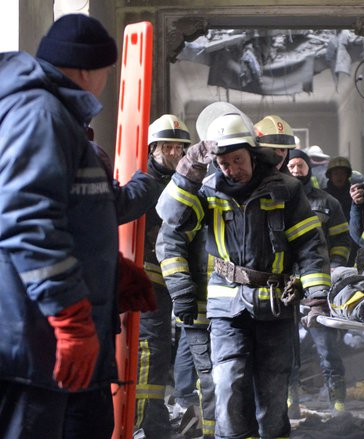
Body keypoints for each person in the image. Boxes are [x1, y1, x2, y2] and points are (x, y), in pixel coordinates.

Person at [0, 14, 156, 439]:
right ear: (87, 69)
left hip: (41, 333)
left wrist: (104, 271)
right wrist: (69, 318)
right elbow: (28, 222)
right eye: (107, 70)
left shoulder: (53, 116)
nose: (106, 80)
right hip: (31, 339)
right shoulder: (41, 114)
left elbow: (68, 213)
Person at [156, 107, 331, 439]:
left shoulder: (287, 189)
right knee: (228, 384)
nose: (231, 169)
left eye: (237, 160)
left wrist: (317, 294)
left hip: (276, 305)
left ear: (252, 153)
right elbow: (170, 223)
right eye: (223, 163)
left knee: (274, 391)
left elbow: (310, 243)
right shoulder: (206, 190)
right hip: (227, 307)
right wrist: (188, 170)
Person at [135, 114, 192, 438]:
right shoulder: (143, 179)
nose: (175, 153)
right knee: (150, 352)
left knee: (165, 351)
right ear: (154, 147)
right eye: (168, 147)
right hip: (148, 282)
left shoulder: (183, 182)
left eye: (179, 148)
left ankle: (155, 419)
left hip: (173, 282)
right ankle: (147, 424)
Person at [287, 149, 349, 414]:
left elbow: (342, 240)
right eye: (290, 165)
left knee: (326, 346)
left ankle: (337, 400)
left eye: (299, 164)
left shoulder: (327, 203)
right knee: (287, 347)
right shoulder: (277, 200)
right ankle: (290, 401)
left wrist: (333, 267)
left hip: (318, 286)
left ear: (308, 168)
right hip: (285, 286)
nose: (295, 170)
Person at [157, 223, 216, 439]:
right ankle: (187, 402)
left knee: (187, 348)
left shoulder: (193, 216)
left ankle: (183, 399)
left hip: (194, 299)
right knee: (205, 367)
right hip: (203, 301)